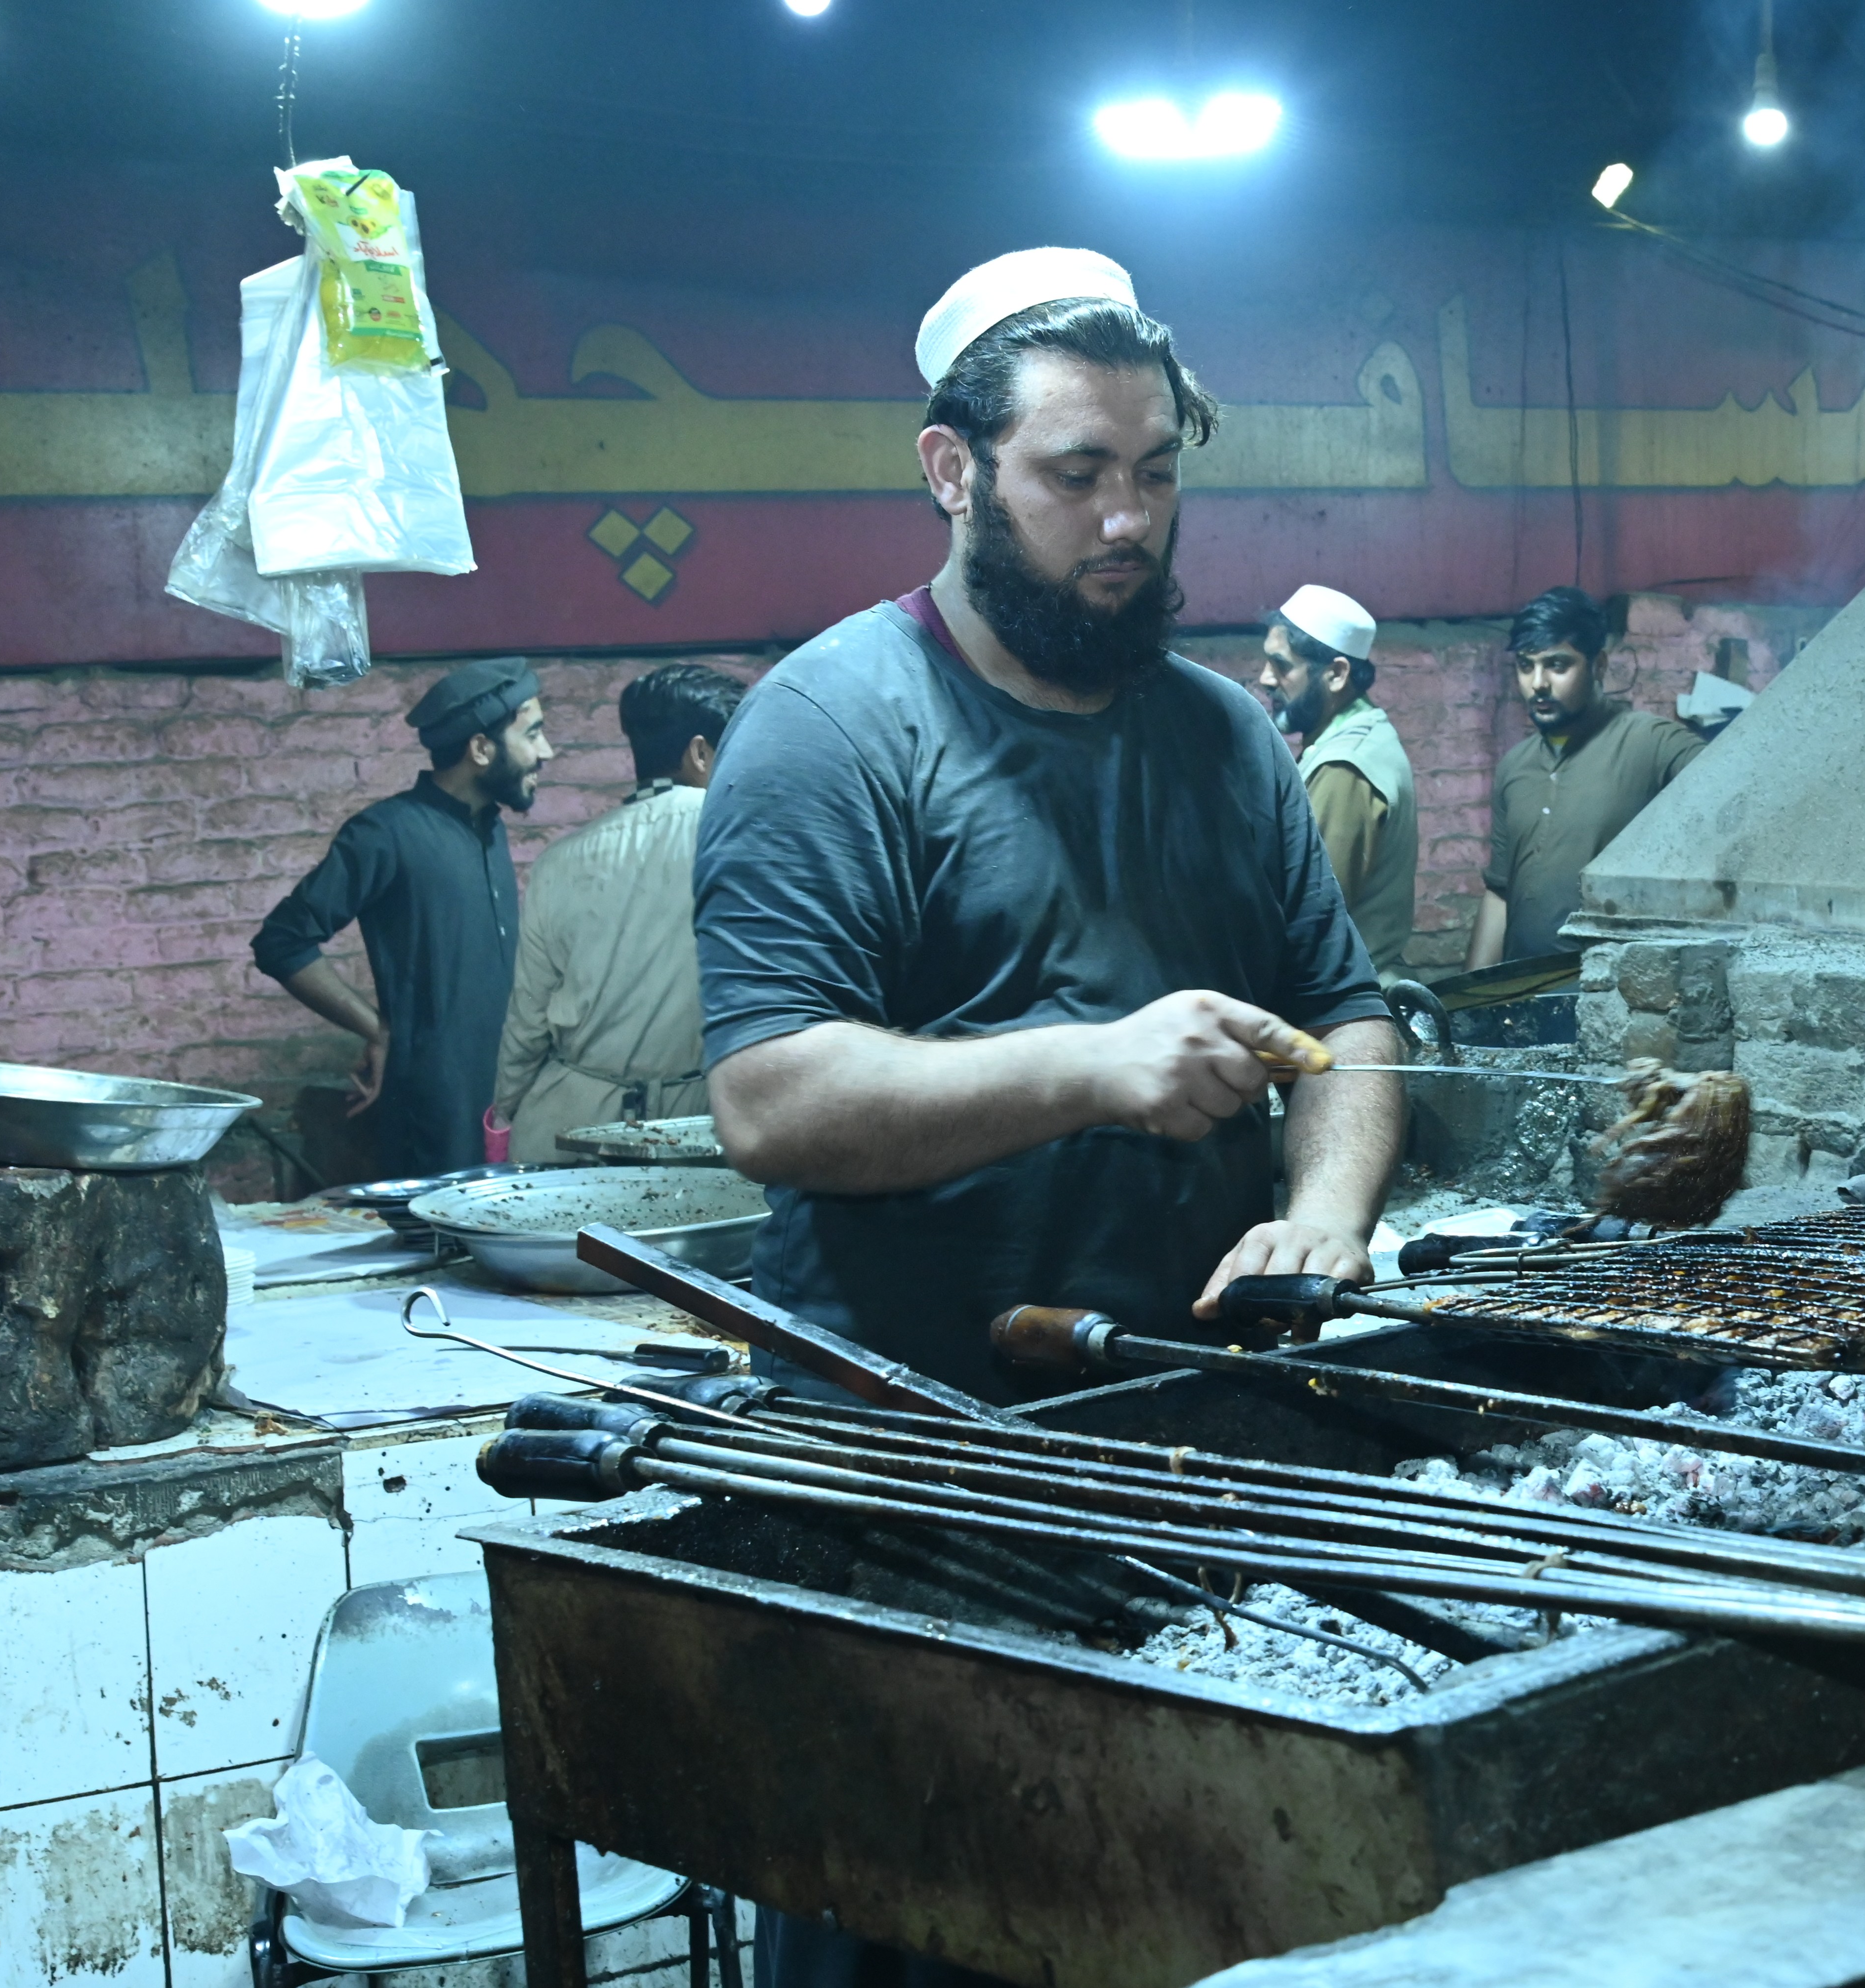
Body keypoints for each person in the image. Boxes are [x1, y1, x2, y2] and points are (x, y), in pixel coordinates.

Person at [699, 247, 1407, 1984]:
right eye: (1073, 475)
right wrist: (1094, 1064)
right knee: (923, 1920)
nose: (1126, 521)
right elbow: (770, 1098)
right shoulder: (831, 728)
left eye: (1154, 472)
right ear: (953, 470)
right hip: (916, 1462)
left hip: (1190, 1434)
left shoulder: (1223, 743)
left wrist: (1326, 1210)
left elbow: (1350, 1017)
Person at [251, 657, 553, 1178]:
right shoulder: (385, 833)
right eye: (533, 734)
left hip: (503, 1100)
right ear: (481, 750)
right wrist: (379, 1030)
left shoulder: (490, 828)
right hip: (432, 1110)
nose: (546, 752)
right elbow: (283, 940)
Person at [491, 663, 747, 1163]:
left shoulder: (560, 861)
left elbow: (527, 1023)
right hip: (693, 1133)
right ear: (700, 753)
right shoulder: (742, 841)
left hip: (568, 1130)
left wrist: (504, 1113)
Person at [1466, 585, 1704, 968]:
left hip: (1610, 993)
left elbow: (1739, 790)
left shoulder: (1652, 744)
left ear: (1598, 666)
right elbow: (1500, 893)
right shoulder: (1515, 765)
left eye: (1558, 665)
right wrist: (1468, 1001)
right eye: (1526, 666)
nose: (1538, 683)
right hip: (1520, 993)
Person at [1255, 582, 1415, 972]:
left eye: (1282, 665)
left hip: (1348, 1012)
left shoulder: (1345, 766)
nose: (1265, 679)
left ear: (1337, 674)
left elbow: (1310, 917)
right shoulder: (1347, 738)